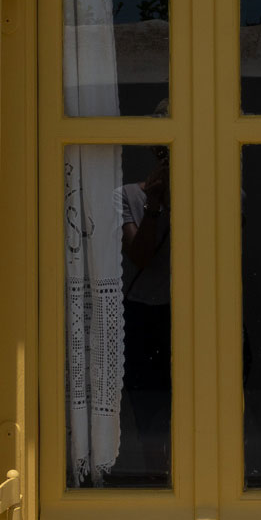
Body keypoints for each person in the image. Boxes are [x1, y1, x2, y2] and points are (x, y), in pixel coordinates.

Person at [116, 146, 172, 482]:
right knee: (149, 404)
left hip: (194, 309)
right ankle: (157, 479)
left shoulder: (220, 189)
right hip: (145, 312)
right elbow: (141, 256)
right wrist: (154, 204)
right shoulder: (127, 196)